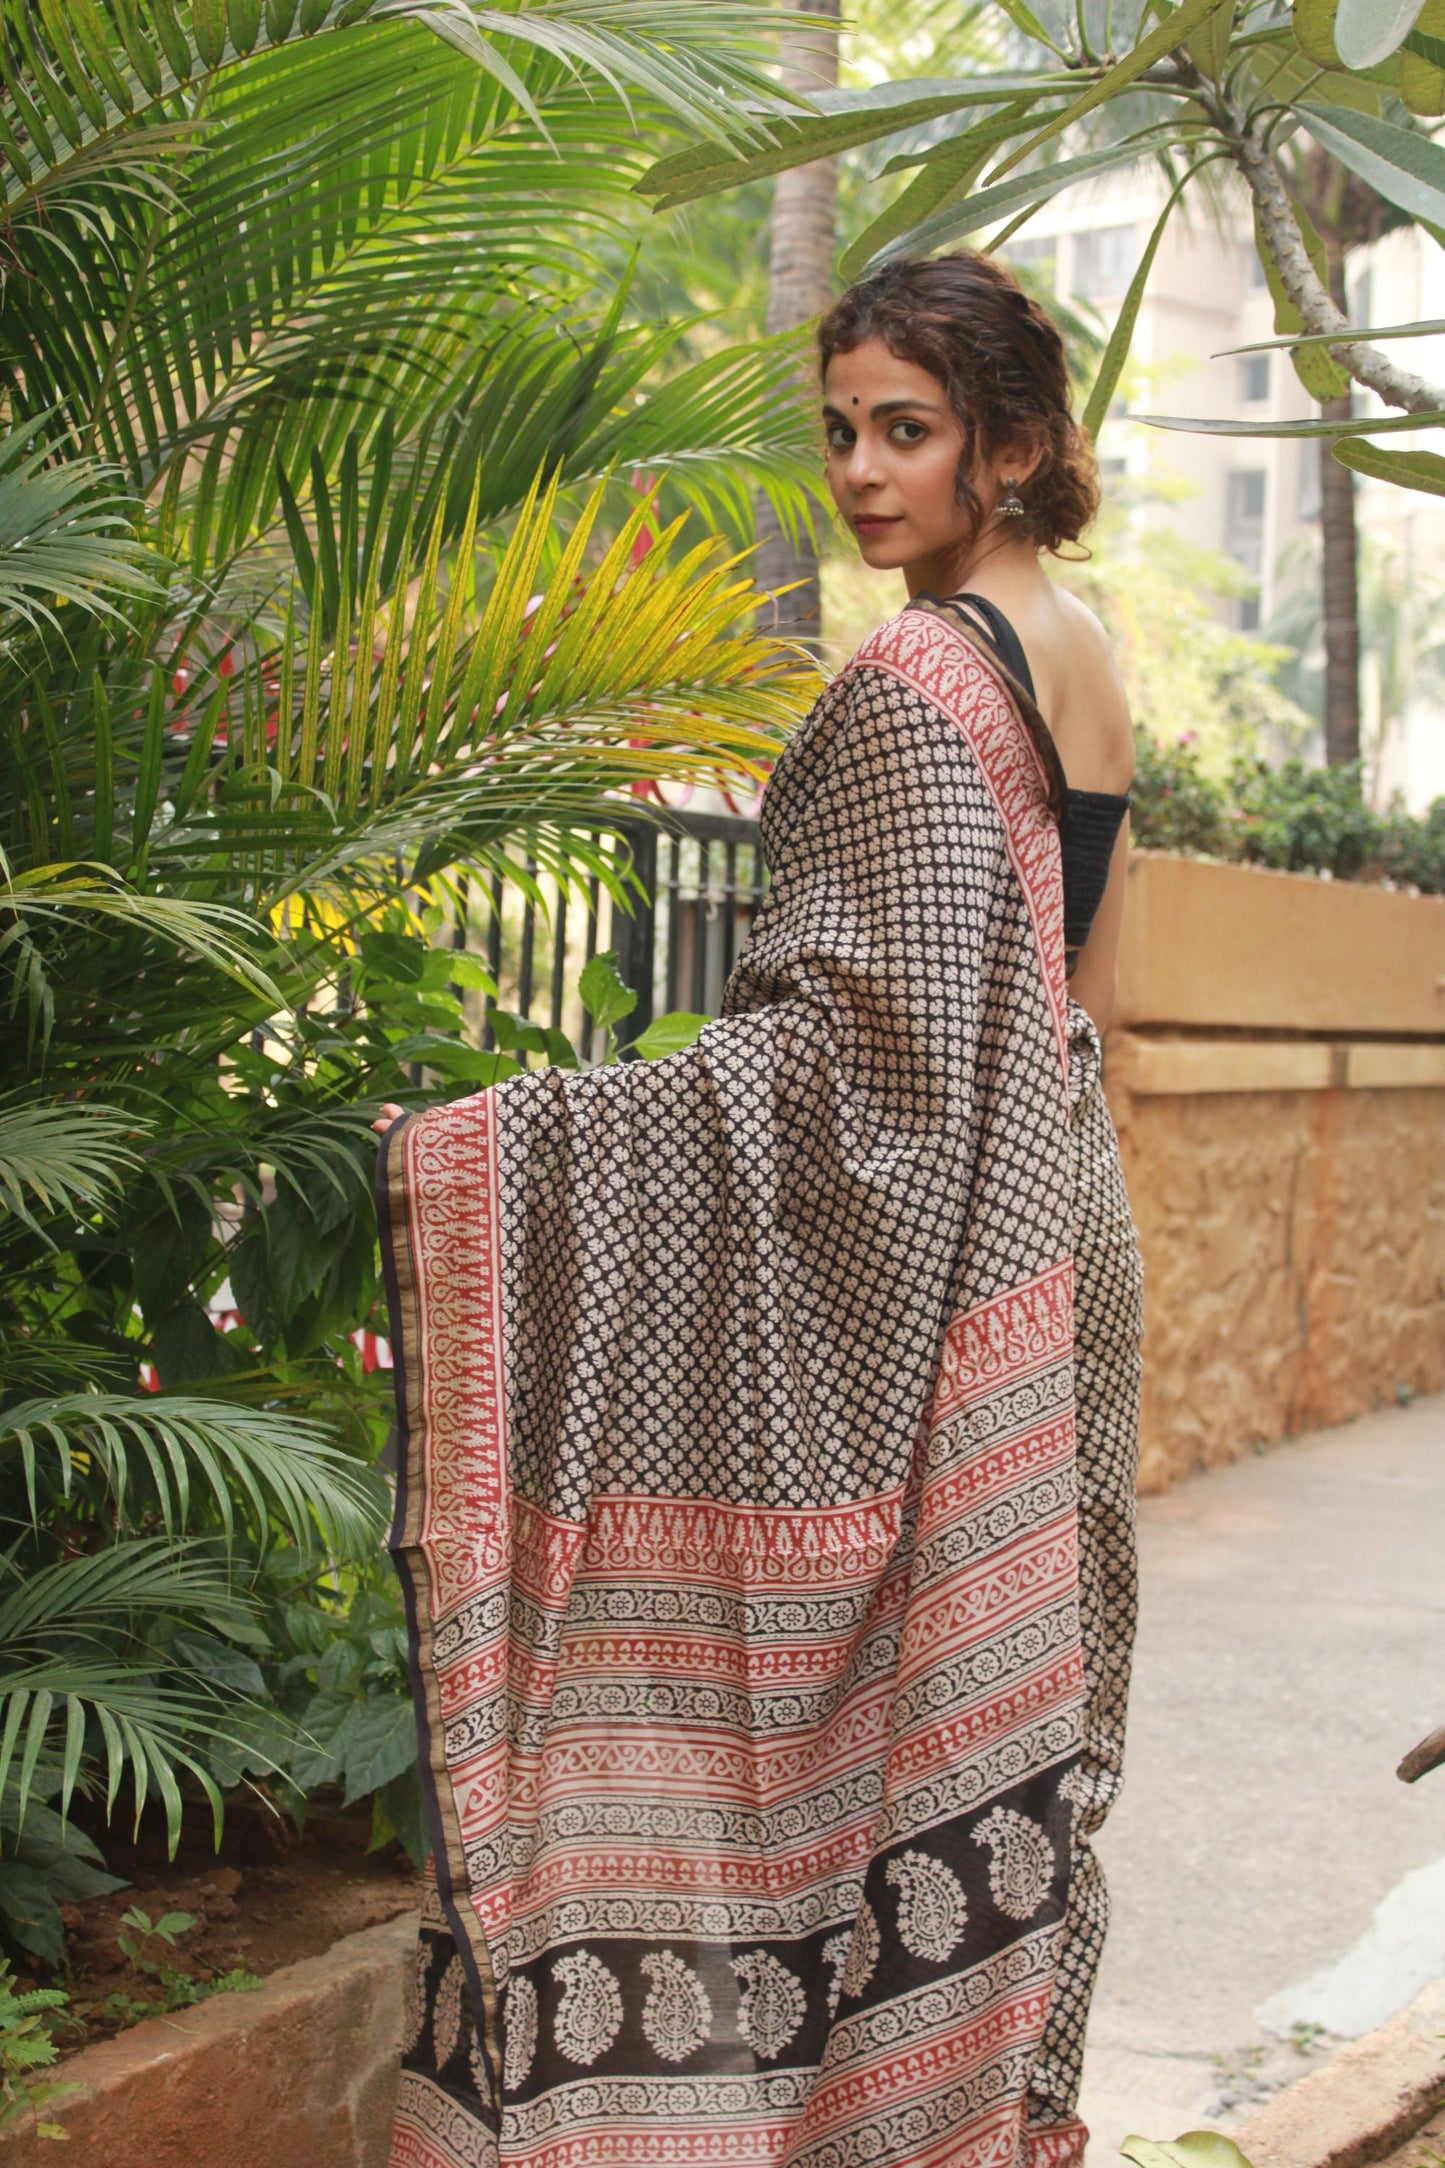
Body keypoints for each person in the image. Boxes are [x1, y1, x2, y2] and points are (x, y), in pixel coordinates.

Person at [374, 249, 1144, 2168]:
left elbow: (853, 1067)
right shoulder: (1084, 648)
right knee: (1001, 1717)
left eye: (908, 431)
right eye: (841, 430)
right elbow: (1084, 1008)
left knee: (825, 1724)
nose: (861, 472)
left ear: (1009, 443)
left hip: (957, 1251)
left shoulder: (911, 680)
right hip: (1061, 1233)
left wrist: (497, 1144)